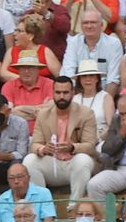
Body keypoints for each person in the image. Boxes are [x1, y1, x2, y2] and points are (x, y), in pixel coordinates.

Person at [22, 75, 97, 205]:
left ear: (73, 93)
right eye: (58, 92)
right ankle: (43, 207)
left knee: (83, 160)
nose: (61, 96)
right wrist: (43, 149)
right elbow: (34, 144)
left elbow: (90, 146)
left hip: (73, 163)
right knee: (29, 160)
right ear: (53, 93)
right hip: (52, 162)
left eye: (65, 92)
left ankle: (74, 207)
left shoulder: (86, 113)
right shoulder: (43, 114)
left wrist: (72, 147)